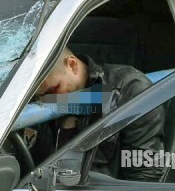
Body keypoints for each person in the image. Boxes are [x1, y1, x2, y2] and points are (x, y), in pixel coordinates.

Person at [32, 47, 165, 181]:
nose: (45, 100)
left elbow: (144, 173)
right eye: (38, 97)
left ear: (72, 65)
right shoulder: (39, 101)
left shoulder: (128, 90)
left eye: (53, 89)